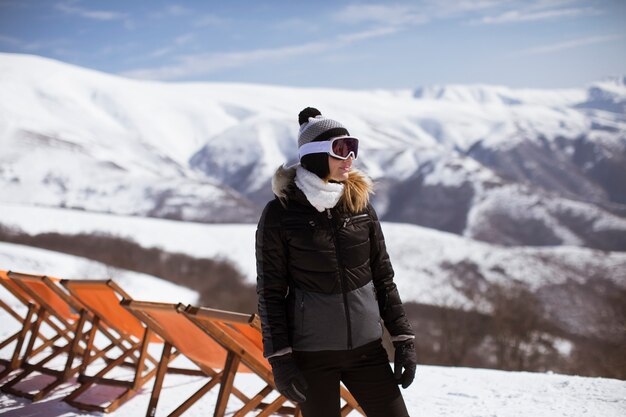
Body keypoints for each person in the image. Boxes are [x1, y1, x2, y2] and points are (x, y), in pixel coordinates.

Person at [256, 107, 417, 417]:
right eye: (341, 149)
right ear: (315, 155)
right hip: (311, 356)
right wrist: (280, 359)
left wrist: (403, 338)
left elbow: (382, 276)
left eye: (352, 148)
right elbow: (271, 292)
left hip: (367, 351)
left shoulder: (359, 206)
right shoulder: (280, 214)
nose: (350, 157)